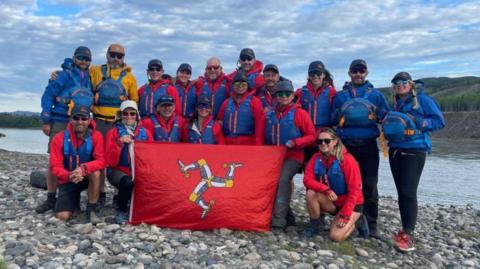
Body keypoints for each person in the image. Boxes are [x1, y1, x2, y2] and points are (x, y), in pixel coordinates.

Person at [382, 72, 445, 252]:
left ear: (410, 84)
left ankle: (408, 235)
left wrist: (420, 122)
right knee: (401, 191)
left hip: (415, 149)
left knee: (409, 191)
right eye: (396, 82)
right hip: (395, 150)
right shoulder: (394, 103)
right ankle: (404, 229)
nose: (400, 85)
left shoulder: (423, 100)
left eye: (403, 82)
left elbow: (439, 121)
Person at [331, 59, 390, 238]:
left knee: (370, 185)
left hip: (369, 146)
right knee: (347, 184)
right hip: (346, 147)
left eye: (361, 71)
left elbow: (386, 117)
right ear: (349, 73)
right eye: (355, 71)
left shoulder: (377, 95)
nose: (358, 74)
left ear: (366, 73)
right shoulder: (340, 96)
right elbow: (333, 118)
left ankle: (372, 224)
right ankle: (351, 219)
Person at [37, 46, 94, 214]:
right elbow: (48, 94)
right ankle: (50, 197)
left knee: (77, 158)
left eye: (86, 59)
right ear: (74, 58)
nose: (83, 61)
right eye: (80, 58)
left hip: (80, 121)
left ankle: (72, 194)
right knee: (54, 160)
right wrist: (46, 120)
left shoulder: (89, 78)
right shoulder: (64, 75)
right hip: (61, 119)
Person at [265, 81, 315, 229]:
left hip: (293, 156)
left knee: (283, 179)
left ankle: (279, 220)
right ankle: (289, 217)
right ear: (276, 96)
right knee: (269, 182)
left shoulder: (300, 113)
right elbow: (262, 137)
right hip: (273, 157)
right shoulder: (269, 115)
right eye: (280, 94)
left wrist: (296, 142)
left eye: (287, 94)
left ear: (293, 95)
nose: (284, 97)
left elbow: (312, 136)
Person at [303, 128, 364, 241]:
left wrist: (345, 215)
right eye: (319, 141)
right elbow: (307, 180)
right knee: (311, 193)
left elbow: (355, 190)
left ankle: (357, 221)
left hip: (351, 203)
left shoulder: (347, 160)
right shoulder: (316, 158)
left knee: (335, 237)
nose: (323, 144)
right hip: (332, 200)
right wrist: (326, 189)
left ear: (335, 141)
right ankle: (315, 227)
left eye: (327, 141)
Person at [49, 105, 105, 223]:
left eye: (84, 119)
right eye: (76, 118)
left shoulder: (97, 136)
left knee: (96, 173)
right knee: (62, 216)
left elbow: (102, 160)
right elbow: (55, 165)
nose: (80, 122)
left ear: (89, 120)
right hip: (68, 177)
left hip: (85, 176)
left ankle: (91, 209)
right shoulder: (59, 138)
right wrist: (69, 175)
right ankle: (69, 202)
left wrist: (84, 169)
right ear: (70, 120)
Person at [105, 100, 153, 223]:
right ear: (120, 115)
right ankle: (121, 211)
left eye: (132, 113)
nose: (129, 116)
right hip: (118, 170)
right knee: (127, 182)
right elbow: (110, 160)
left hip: (138, 170)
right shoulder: (113, 132)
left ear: (137, 115)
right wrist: (119, 143)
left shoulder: (145, 133)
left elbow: (152, 155)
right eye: (125, 114)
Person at [295, 61, 337, 164]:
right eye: (312, 74)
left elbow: (336, 113)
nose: (315, 76)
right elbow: (292, 109)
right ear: (308, 76)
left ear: (323, 75)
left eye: (318, 73)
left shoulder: (331, 92)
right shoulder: (300, 92)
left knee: (324, 165)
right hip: (306, 135)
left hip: (324, 136)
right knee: (307, 165)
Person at [217, 73, 265, 145]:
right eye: (237, 84)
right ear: (233, 86)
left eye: (243, 84)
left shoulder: (255, 102)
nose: (240, 87)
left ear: (247, 86)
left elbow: (260, 125)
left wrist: (257, 144)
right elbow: (219, 123)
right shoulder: (226, 103)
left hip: (248, 143)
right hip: (228, 143)